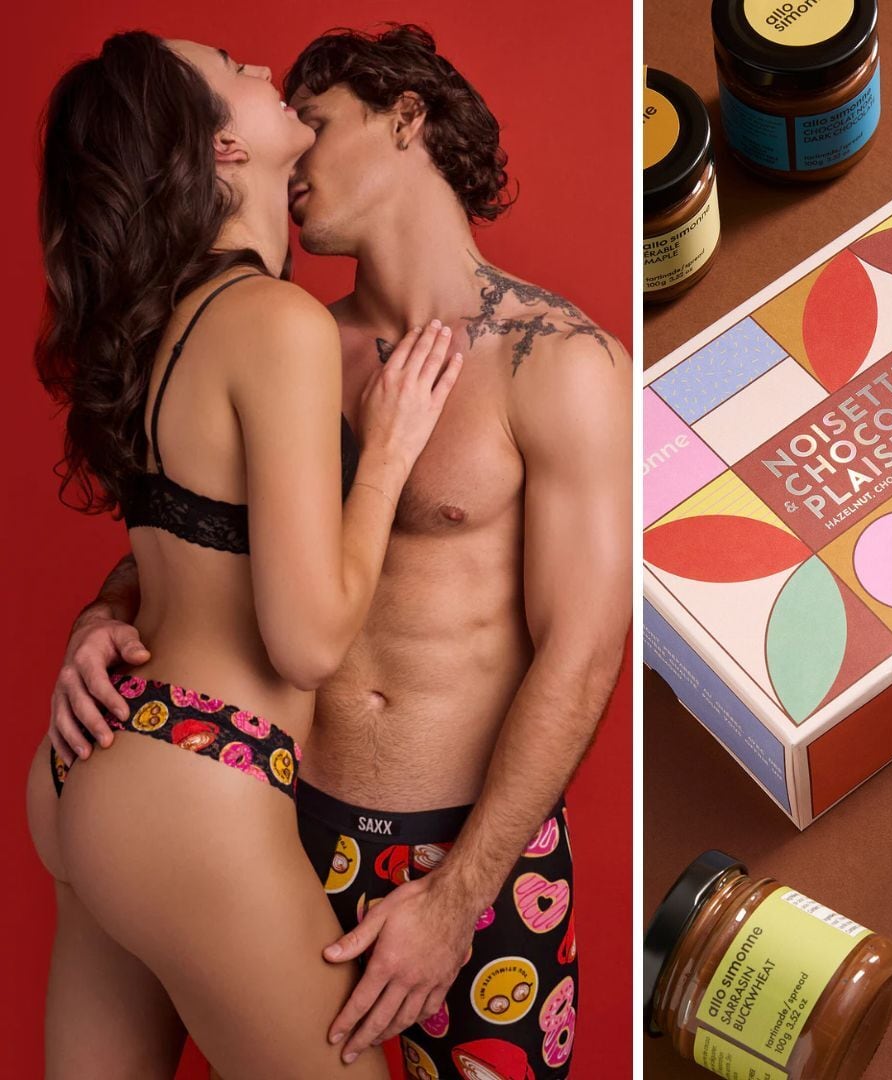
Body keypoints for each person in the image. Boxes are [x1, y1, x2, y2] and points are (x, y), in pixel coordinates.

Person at [49, 25, 632, 1078]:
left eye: (317, 123)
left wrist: (459, 897)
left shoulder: (560, 364)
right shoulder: (288, 338)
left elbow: (584, 651)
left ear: (406, 120)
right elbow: (202, 541)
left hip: (468, 860)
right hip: (275, 824)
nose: (299, 158)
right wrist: (105, 616)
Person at [26, 32, 461, 1077]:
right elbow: (307, 640)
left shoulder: (153, 329)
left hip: (84, 773)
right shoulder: (276, 322)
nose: (268, 73)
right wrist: (388, 455)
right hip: (199, 789)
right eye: (235, 67)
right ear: (220, 149)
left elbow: (186, 549)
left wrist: (95, 618)